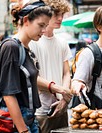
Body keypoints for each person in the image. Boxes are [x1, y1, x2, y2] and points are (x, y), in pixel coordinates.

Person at [0, 1, 52, 133]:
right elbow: (8, 94)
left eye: (46, 26)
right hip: (15, 123)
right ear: (26, 20)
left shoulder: (25, 49)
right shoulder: (11, 47)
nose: (44, 31)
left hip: (29, 120)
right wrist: (23, 130)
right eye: (41, 25)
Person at [29, 0, 72, 132]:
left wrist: (64, 99)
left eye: (62, 14)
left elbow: (66, 73)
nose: (60, 18)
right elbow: (33, 77)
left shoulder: (62, 42)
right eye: (56, 14)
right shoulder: (33, 41)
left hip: (61, 107)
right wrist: (61, 90)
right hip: (41, 110)